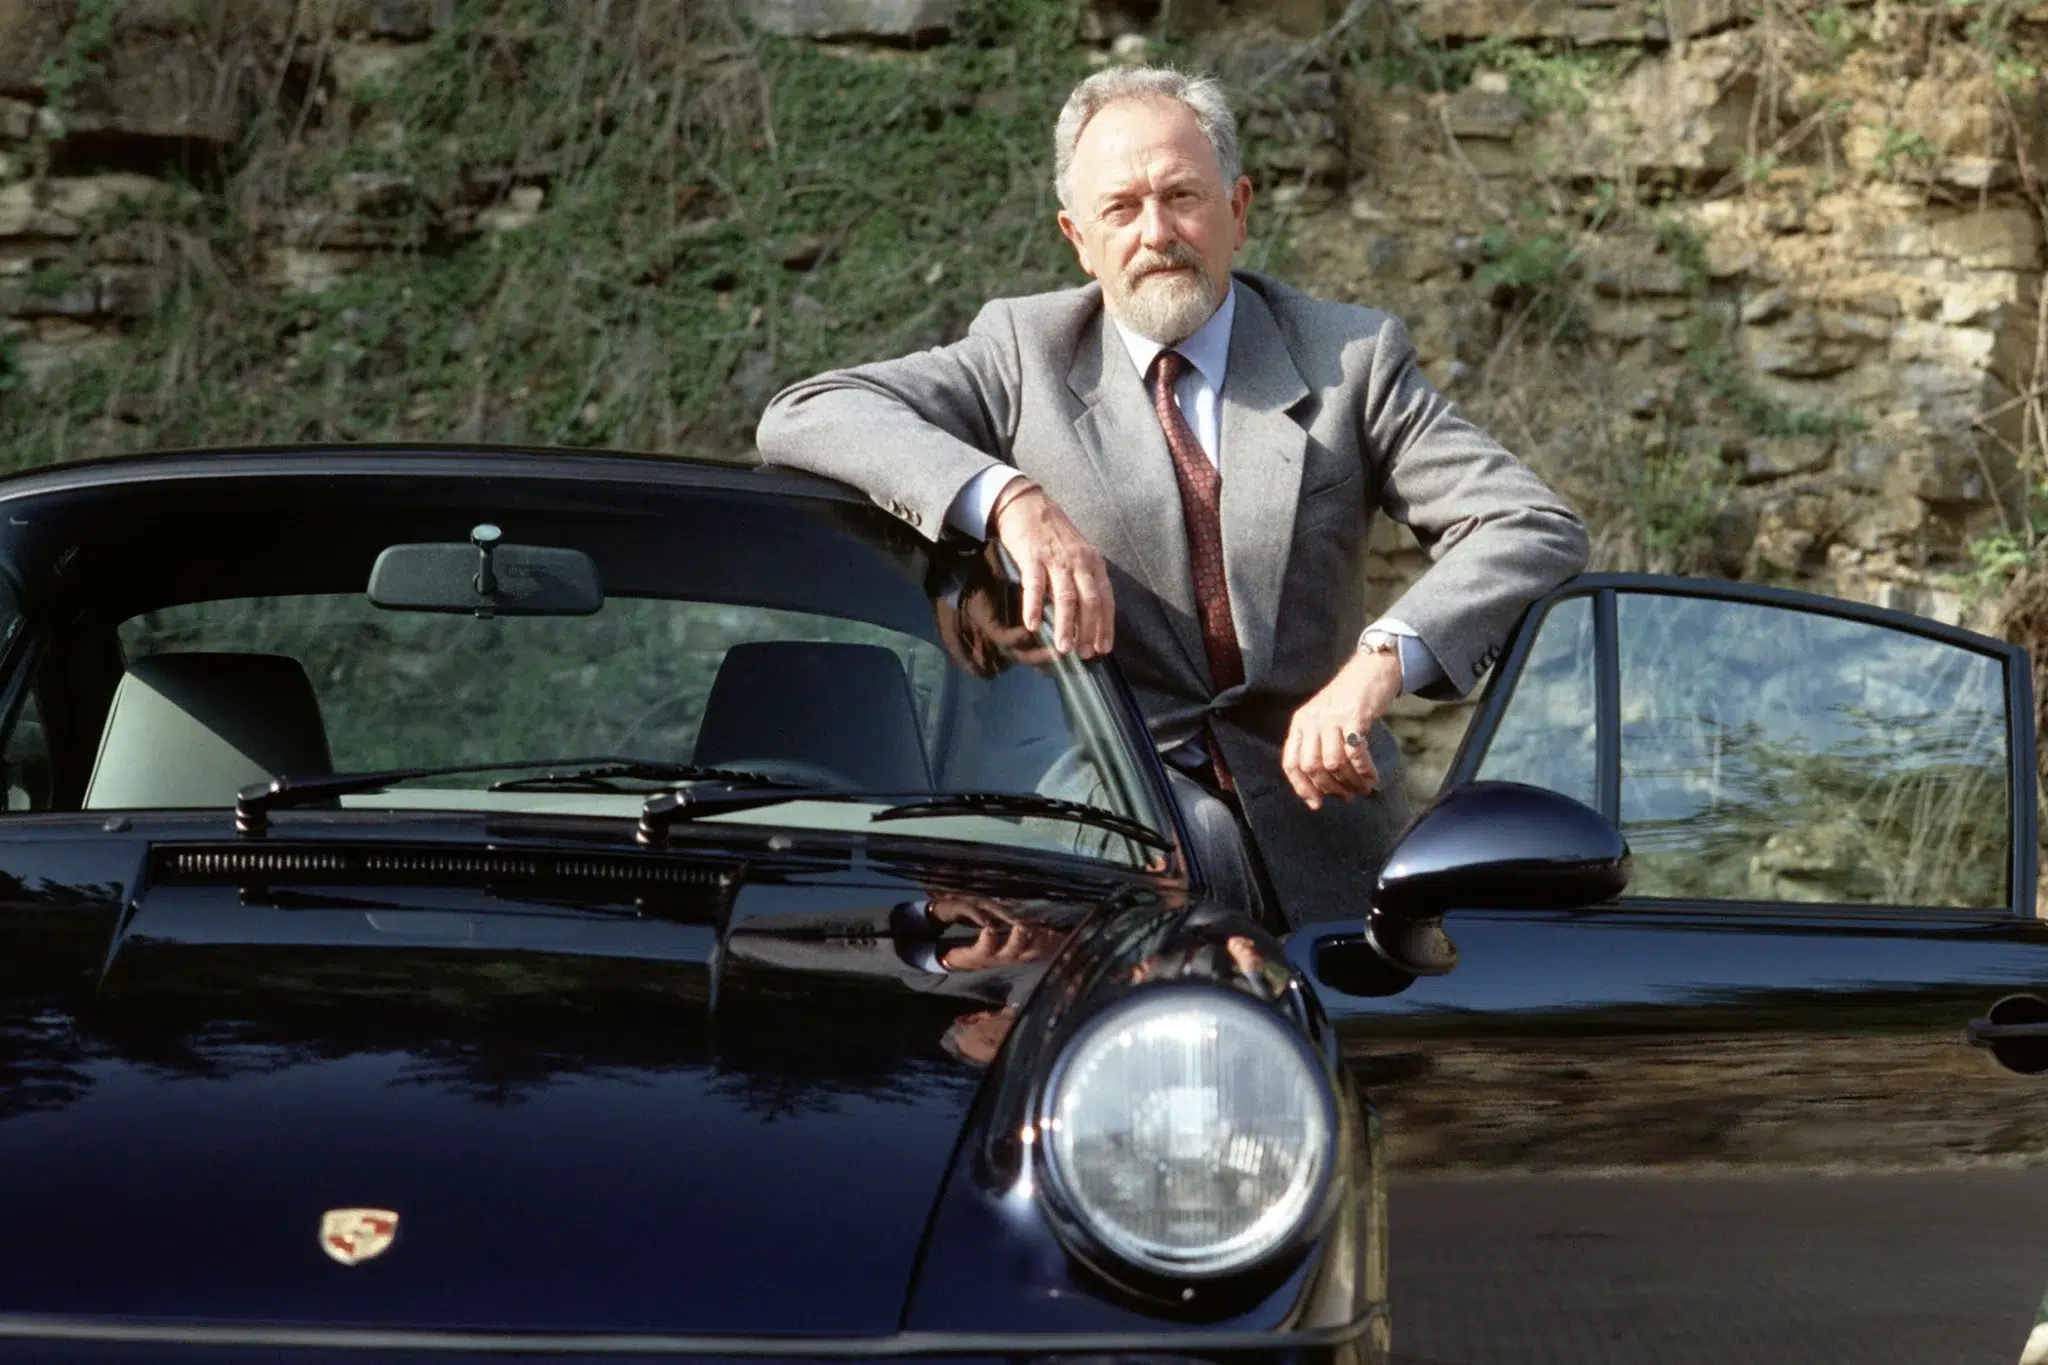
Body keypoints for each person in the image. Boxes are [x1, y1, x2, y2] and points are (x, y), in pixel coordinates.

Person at [755, 65, 1588, 930]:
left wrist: (1372, 671)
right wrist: (1010, 500)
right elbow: (807, 413)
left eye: (1182, 196)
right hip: (1102, 848)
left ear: (1239, 207)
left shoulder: (1351, 360)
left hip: (1330, 859)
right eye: (1121, 209)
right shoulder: (1022, 352)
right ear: (1079, 239)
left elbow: (1529, 522)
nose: (1157, 233)